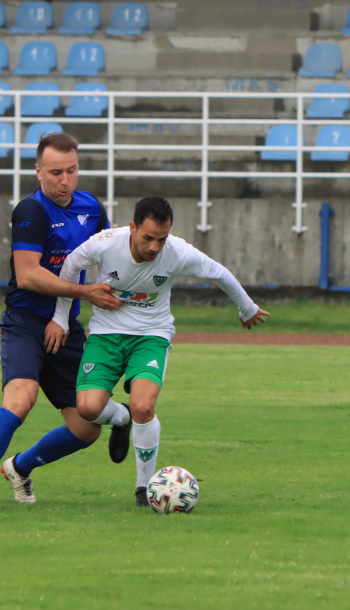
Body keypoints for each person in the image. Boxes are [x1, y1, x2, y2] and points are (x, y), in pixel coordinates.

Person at [49, 196, 269, 507]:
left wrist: (247, 308)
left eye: (161, 239)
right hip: (105, 335)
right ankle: (121, 418)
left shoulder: (177, 252)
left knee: (144, 406)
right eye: (148, 238)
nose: (154, 247)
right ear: (133, 227)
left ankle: (144, 488)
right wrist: (60, 317)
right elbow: (70, 265)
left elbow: (218, 272)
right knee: (87, 409)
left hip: (151, 336)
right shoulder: (105, 243)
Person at [0, 132, 122, 512]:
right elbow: (28, 275)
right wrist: (85, 293)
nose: (65, 181)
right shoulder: (30, 211)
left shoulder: (91, 207)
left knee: (86, 427)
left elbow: (111, 260)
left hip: (66, 328)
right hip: (27, 323)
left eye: (72, 171)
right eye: (56, 172)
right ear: (38, 171)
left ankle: (20, 467)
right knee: (20, 401)